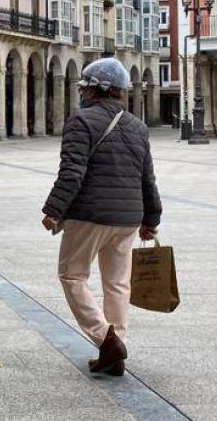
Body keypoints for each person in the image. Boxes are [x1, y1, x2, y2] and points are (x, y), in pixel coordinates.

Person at [42, 57, 162, 377]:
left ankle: (105, 339)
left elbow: (72, 172)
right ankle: (115, 350)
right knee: (117, 284)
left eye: (84, 87)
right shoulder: (138, 126)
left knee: (72, 275)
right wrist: (152, 219)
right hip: (128, 219)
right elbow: (146, 178)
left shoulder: (81, 121)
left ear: (96, 90)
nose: (81, 92)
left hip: (90, 215)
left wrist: (53, 209)